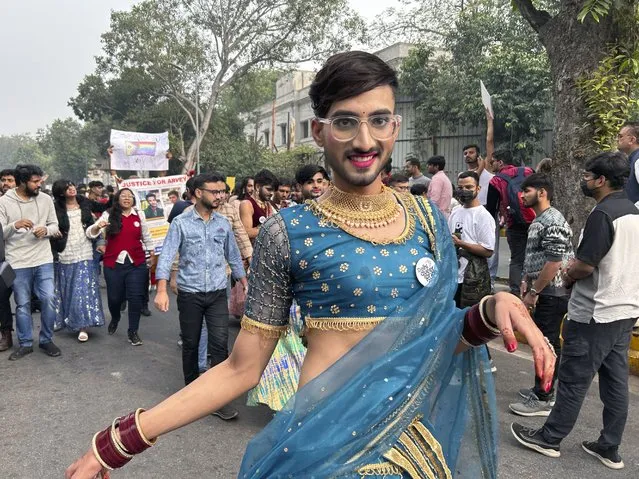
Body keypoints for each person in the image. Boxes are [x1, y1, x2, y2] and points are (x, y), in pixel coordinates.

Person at [66, 51, 554, 479]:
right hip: (325, 448)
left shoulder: (427, 218)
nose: (365, 140)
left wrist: (489, 313)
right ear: (319, 130)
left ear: (395, 127)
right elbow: (242, 367)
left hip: (412, 444)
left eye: (379, 120)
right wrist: (119, 442)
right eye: (346, 121)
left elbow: (439, 340)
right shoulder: (288, 231)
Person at [512, 151, 639, 470]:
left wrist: (568, 272)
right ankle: (609, 446)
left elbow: (584, 264)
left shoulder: (603, 214)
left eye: (586, 176)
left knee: (572, 379)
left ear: (601, 180)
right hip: (624, 310)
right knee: (615, 383)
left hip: (596, 312)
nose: (583, 180)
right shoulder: (633, 213)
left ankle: (550, 438)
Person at [155, 173, 248, 420]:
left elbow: (233, 255)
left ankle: (216, 399)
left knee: (220, 344)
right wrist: (162, 289)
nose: (220, 196)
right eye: (215, 192)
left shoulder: (223, 223)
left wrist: (244, 281)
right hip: (190, 294)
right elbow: (166, 256)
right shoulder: (181, 223)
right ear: (198, 193)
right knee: (192, 343)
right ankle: (190, 394)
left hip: (218, 292)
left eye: (222, 192)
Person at [508, 174, 573, 417]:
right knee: (543, 342)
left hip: (552, 293)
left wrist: (535, 292)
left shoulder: (553, 220)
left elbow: (555, 261)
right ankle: (540, 390)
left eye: (527, 190)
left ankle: (544, 397)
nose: (522, 195)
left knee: (546, 344)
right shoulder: (541, 219)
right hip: (545, 292)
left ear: (542, 192)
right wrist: (527, 281)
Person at [0, 164, 61, 360]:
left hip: (43, 259)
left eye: (40, 180)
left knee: (49, 299)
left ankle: (46, 339)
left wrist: (46, 230)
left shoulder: (45, 199)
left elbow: (54, 225)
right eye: (35, 182)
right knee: (22, 304)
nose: (39, 185)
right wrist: (14, 225)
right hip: (17, 261)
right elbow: (1, 231)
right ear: (22, 182)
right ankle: (25, 343)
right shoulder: (4, 202)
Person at [88, 188, 154, 346]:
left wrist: (151, 253)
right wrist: (98, 227)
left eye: (129, 196)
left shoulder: (139, 215)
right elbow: (90, 233)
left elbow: (146, 235)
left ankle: (133, 331)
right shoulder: (109, 214)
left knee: (136, 297)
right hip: (113, 263)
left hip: (136, 262)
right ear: (117, 199)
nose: (127, 199)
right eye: (123, 196)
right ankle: (115, 317)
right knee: (114, 298)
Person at [50, 180, 105, 341]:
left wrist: (97, 227)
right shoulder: (55, 209)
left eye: (72, 185)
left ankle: (83, 326)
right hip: (65, 253)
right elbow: (50, 227)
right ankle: (68, 319)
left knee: (83, 289)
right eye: (67, 187)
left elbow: (90, 230)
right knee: (69, 289)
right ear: (61, 192)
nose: (72, 188)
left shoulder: (85, 205)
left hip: (85, 252)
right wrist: (54, 233)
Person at [486, 149, 535, 294]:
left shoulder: (496, 180)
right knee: (536, 256)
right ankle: (534, 290)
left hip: (515, 223)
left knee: (517, 259)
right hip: (536, 221)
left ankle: (515, 292)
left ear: (500, 162)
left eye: (492, 162)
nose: (491, 165)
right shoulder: (528, 171)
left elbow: (491, 210)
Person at [449, 171, 495, 307]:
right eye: (461, 187)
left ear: (478, 188)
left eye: (469, 187)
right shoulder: (455, 211)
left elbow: (488, 250)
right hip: (453, 275)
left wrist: (461, 244)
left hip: (473, 276)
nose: (464, 191)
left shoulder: (483, 216)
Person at [240, 169, 278, 243]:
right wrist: (272, 229)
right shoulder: (247, 204)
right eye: (269, 189)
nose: (271, 193)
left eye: (273, 190)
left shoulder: (268, 204)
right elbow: (247, 232)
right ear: (257, 187)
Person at [617, 121, 639, 203]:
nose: (617, 139)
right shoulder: (632, 159)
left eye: (620, 136)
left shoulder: (638, 160)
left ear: (632, 139)